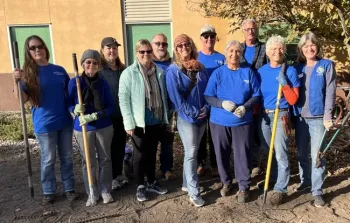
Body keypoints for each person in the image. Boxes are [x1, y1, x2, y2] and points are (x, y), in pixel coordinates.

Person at [12, 35, 78, 205]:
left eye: (40, 46)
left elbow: (70, 93)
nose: (37, 50)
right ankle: (49, 191)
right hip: (44, 124)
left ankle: (69, 188)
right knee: (48, 159)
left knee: (67, 157)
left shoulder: (59, 70)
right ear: (28, 52)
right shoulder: (28, 74)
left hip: (64, 121)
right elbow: (22, 100)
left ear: (45, 48)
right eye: (33, 48)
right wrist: (16, 82)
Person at [204, 40, 260, 202]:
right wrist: (221, 103)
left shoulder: (248, 72)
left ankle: (244, 187)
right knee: (221, 154)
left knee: (243, 154)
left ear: (241, 54)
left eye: (237, 51)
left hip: (242, 122)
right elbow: (208, 96)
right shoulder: (218, 73)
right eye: (231, 51)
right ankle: (226, 182)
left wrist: (246, 107)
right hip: (219, 121)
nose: (234, 54)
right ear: (226, 53)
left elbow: (256, 95)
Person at [119, 39, 169, 202]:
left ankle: (151, 181)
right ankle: (140, 185)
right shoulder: (129, 73)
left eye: (148, 51)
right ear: (137, 53)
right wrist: (128, 123)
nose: (146, 54)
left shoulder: (159, 71)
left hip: (156, 119)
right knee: (139, 155)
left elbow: (163, 95)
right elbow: (123, 99)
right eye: (142, 52)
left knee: (152, 153)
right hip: (138, 121)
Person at [292, 32, 336, 208]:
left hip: (319, 119)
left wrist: (328, 116)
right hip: (300, 119)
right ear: (301, 49)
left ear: (317, 47)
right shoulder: (296, 68)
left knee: (317, 156)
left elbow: (331, 92)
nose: (309, 48)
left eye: (312, 45)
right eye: (305, 46)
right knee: (302, 153)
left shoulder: (326, 65)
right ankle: (306, 181)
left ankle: (317, 191)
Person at [166, 34, 209, 207]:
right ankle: (193, 191)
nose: (184, 47)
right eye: (179, 45)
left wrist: (206, 108)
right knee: (191, 153)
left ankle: (186, 183)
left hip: (202, 116)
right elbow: (176, 100)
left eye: (186, 44)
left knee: (194, 151)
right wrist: (194, 112)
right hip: (187, 118)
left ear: (191, 46)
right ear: (175, 50)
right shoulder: (173, 71)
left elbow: (207, 91)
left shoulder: (201, 67)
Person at [68, 50, 114, 206]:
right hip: (82, 127)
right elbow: (67, 102)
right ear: (82, 64)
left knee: (105, 159)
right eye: (88, 62)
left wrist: (96, 115)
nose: (91, 65)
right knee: (88, 161)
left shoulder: (103, 83)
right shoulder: (74, 83)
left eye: (95, 63)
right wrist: (74, 109)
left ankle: (105, 189)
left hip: (103, 126)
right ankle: (92, 192)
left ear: (99, 66)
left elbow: (111, 107)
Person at [257, 36, 300, 205]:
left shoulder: (289, 71)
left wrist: (286, 85)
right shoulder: (261, 72)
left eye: (280, 48)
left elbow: (293, 100)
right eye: (273, 49)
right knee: (270, 151)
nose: (277, 51)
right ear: (267, 52)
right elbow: (257, 95)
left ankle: (281, 188)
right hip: (264, 116)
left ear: (284, 50)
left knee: (281, 153)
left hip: (280, 114)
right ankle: (272, 179)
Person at [99, 37, 128, 190]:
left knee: (120, 146)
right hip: (107, 117)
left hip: (122, 116)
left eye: (114, 48)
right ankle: (109, 178)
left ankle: (118, 174)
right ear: (102, 51)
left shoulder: (124, 70)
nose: (112, 51)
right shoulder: (100, 71)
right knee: (107, 149)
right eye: (108, 48)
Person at [240, 19, 268, 176]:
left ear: (256, 30)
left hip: (261, 96)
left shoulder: (264, 47)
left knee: (258, 132)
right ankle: (245, 163)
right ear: (243, 31)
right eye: (247, 29)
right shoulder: (238, 48)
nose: (250, 31)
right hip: (243, 97)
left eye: (253, 28)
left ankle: (256, 163)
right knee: (245, 132)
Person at [197, 24, 225, 176]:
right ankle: (201, 163)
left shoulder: (221, 58)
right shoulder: (195, 57)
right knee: (200, 135)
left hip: (215, 103)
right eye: (206, 36)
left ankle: (216, 165)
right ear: (201, 39)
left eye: (212, 36)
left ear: (215, 38)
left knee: (215, 136)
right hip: (199, 103)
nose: (209, 39)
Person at [151, 33, 176, 180]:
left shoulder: (172, 63)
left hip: (170, 111)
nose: (161, 46)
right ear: (152, 45)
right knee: (152, 144)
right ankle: (150, 172)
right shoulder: (147, 63)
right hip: (153, 112)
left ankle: (167, 169)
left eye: (164, 44)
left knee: (167, 144)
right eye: (158, 43)